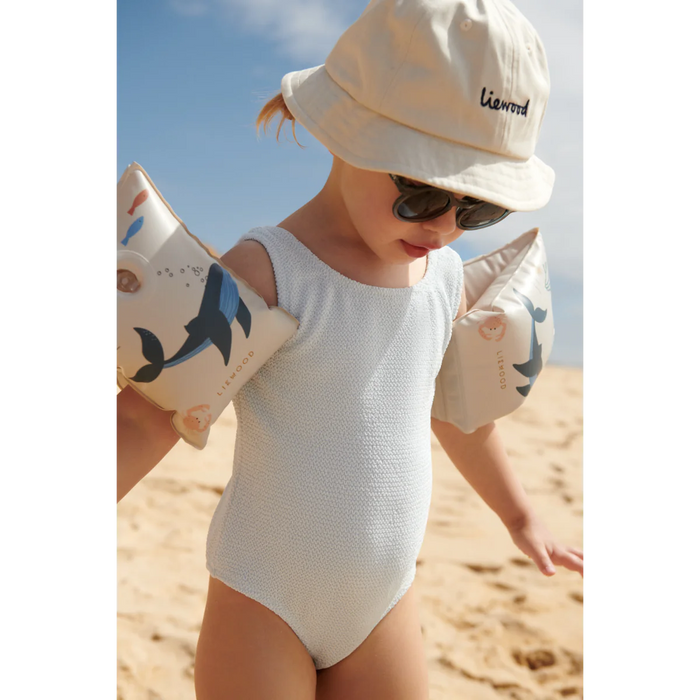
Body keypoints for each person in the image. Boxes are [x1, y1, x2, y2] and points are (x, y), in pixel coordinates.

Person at [113, 1, 586, 698]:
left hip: (383, 603)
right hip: (264, 599)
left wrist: (520, 516)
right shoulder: (270, 271)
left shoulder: (444, 280)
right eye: (421, 192)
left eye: (478, 207)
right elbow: (147, 417)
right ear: (346, 132)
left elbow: (458, 413)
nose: (445, 227)